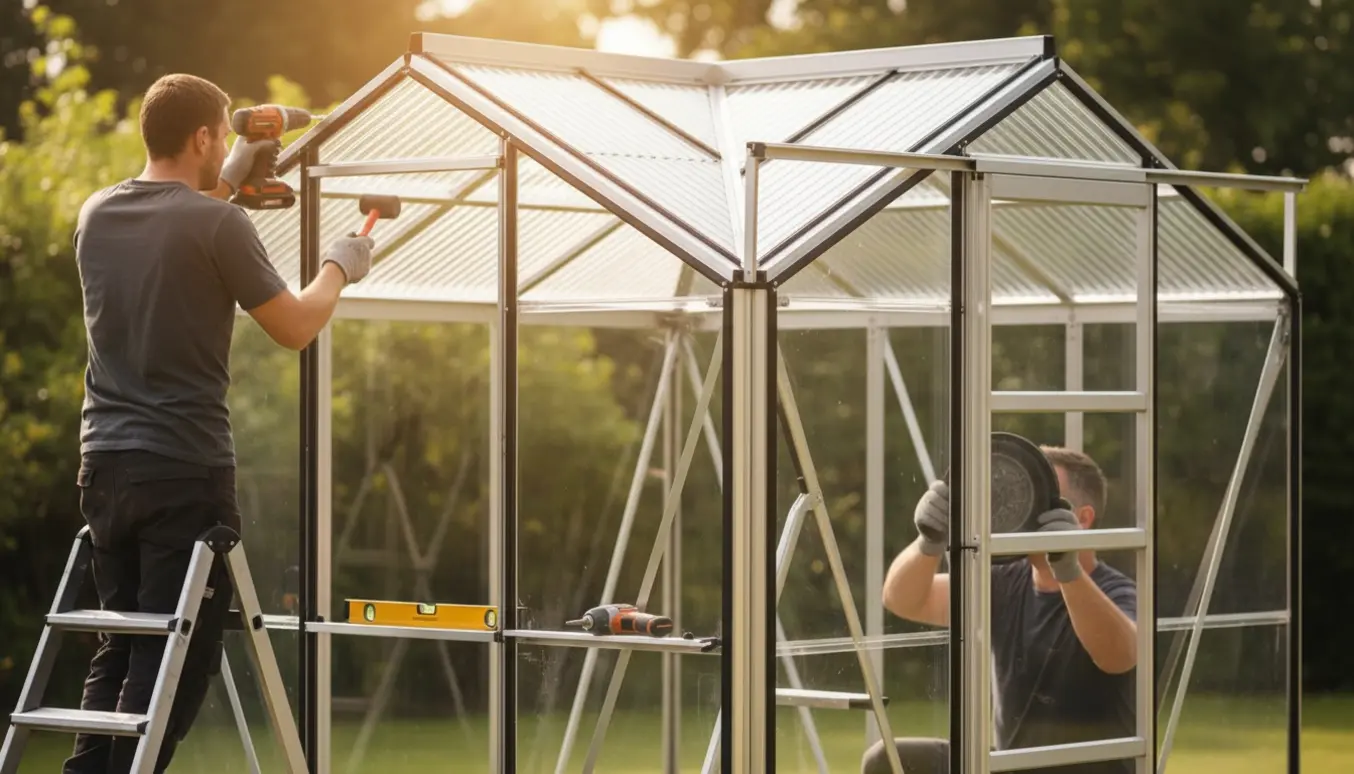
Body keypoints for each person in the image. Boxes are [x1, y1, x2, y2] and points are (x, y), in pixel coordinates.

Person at [64, 73, 375, 774]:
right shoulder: (216, 223)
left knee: (125, 643)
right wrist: (339, 264)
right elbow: (295, 327)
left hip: (105, 469)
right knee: (175, 655)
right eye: (226, 133)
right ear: (204, 136)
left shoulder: (97, 213)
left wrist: (230, 177)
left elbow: (179, 229)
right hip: (184, 470)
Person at [863, 447, 1138, 774]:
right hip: (1010, 766)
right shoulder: (1006, 582)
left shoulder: (1117, 591)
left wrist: (1068, 569)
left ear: (1082, 519)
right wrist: (929, 541)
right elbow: (904, 599)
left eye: (1045, 498)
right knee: (887, 761)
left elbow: (1120, 655)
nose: (1027, 508)